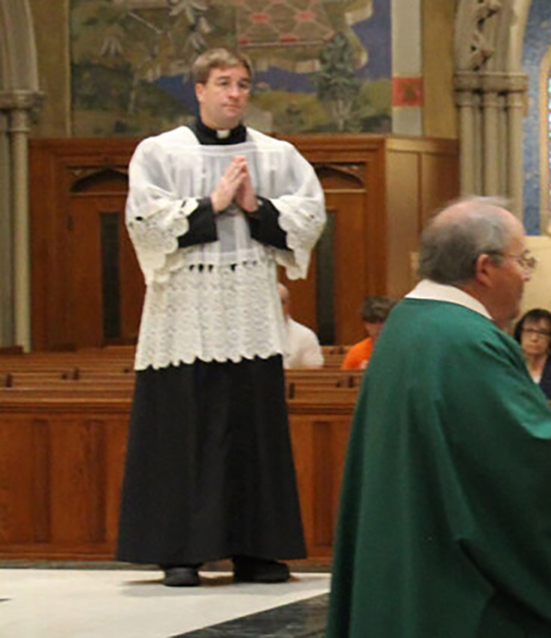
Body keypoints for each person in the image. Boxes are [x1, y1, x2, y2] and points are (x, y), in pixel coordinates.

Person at [327, 197, 551, 637]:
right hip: (456, 594)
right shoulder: (467, 341)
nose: (527, 275)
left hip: (410, 562)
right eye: (523, 261)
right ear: (485, 269)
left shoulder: (408, 322)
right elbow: (518, 463)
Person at [116, 48, 326, 587]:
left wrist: (256, 207)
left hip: (249, 311)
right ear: (200, 90)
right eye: (224, 83)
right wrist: (212, 202)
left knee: (251, 429)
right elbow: (145, 221)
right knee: (184, 429)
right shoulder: (161, 152)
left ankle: (256, 549)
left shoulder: (276, 155)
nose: (235, 93)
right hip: (183, 313)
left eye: (244, 84)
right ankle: (180, 552)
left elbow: (309, 217)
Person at [341, 295, 394, 370]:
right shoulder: (356, 352)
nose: (378, 327)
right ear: (365, 324)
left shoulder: (408, 349)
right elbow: (344, 380)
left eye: (383, 321)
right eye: (372, 321)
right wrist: (359, 373)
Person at [279, 283, 324, 369]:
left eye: (282, 302)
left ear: (288, 304)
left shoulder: (305, 336)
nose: (277, 307)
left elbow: (313, 375)